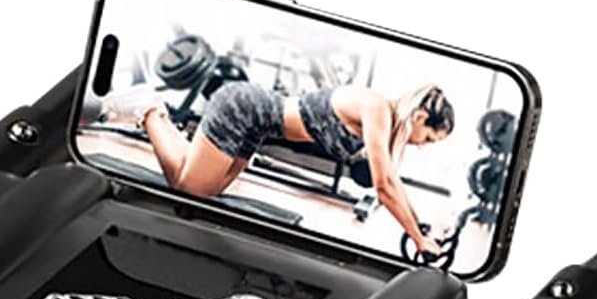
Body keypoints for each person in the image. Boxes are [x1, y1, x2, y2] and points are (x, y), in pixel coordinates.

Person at [101, 79, 455, 255]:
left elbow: (393, 181)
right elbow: (384, 186)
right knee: (188, 190)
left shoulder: (389, 124)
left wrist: (420, 228)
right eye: (428, 137)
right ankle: (150, 110)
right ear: (420, 117)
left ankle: (157, 116)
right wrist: (417, 240)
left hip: (257, 128)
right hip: (244, 109)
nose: (423, 144)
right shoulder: (377, 109)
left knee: (203, 190)